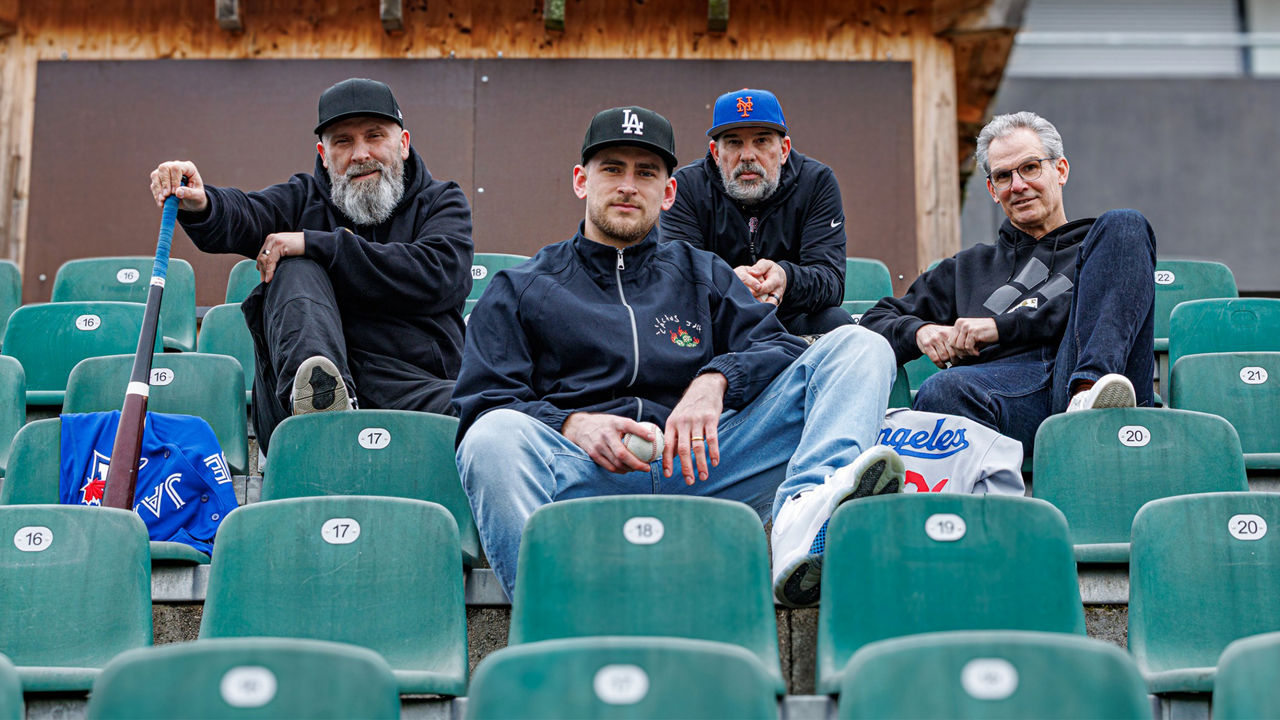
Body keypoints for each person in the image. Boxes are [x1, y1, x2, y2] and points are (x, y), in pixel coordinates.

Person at [453, 105, 905, 607]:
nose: (628, 185)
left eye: (646, 173)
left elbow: (776, 345)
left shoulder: (703, 272)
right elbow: (486, 400)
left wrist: (715, 381)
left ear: (668, 192)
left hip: (708, 465)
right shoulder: (521, 287)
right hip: (586, 473)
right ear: (581, 181)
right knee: (491, 438)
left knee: (861, 345)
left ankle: (804, 514)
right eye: (612, 169)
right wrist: (572, 425)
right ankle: (554, 617)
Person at [149, 78, 473, 452]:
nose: (360, 153)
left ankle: (333, 416)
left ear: (402, 144)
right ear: (323, 153)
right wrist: (204, 202)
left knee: (489, 410)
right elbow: (247, 215)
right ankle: (322, 407)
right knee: (293, 266)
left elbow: (438, 273)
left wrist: (315, 243)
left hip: (415, 389)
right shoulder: (302, 198)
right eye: (343, 141)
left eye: (374, 136)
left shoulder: (442, 202)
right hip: (295, 409)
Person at [860, 111, 1155, 454]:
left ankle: (1087, 394)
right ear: (992, 190)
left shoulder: (1103, 248)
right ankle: (997, 502)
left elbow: (1088, 309)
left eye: (1030, 168)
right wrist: (920, 331)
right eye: (1003, 176)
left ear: (1060, 171)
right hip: (1009, 396)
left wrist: (999, 328)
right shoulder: (966, 268)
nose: (1018, 185)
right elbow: (873, 323)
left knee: (1126, 223)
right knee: (942, 389)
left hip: (1092, 374)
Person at [660, 88, 852, 336]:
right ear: (716, 153)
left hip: (788, 316)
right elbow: (678, 278)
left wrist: (785, 278)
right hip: (717, 321)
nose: (747, 155)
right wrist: (727, 282)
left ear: (783, 150)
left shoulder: (817, 182)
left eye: (761, 140)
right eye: (734, 142)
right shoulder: (686, 187)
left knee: (838, 323)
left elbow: (831, 281)